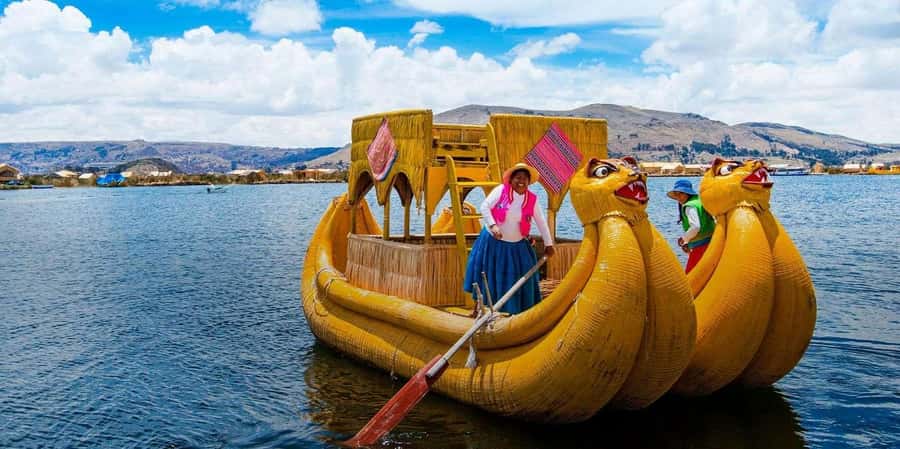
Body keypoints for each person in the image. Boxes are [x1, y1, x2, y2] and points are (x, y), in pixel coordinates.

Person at [463, 163, 555, 315]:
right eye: (518, 178)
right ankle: (478, 309)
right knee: (487, 276)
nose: (521, 181)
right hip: (493, 243)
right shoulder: (501, 191)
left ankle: (517, 313)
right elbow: (485, 206)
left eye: (525, 179)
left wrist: (549, 244)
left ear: (529, 182)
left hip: (516, 246)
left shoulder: (532, 200)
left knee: (519, 278)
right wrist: (493, 226)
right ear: (511, 180)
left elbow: (541, 221)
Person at [667, 179, 715, 273]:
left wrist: (684, 239)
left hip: (701, 247)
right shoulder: (700, 201)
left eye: (681, 193)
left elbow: (696, 227)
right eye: (676, 194)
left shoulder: (690, 206)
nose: (678, 197)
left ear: (687, 193)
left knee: (691, 275)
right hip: (712, 242)